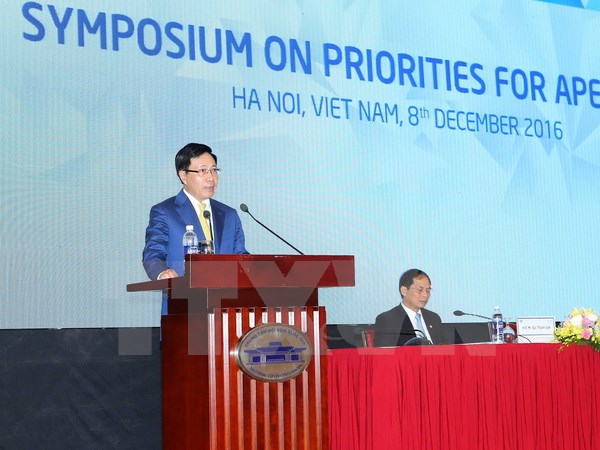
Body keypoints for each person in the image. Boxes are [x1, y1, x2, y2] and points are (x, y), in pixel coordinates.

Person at [143, 143, 248, 313]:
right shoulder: (165, 212)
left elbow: (241, 256)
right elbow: (153, 252)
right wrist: (162, 273)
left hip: (228, 311)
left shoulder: (229, 215)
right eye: (203, 170)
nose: (211, 177)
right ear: (183, 175)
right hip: (184, 309)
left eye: (214, 170)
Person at [374, 269, 447, 346]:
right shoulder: (387, 320)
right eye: (420, 290)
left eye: (428, 290)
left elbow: (445, 347)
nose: (425, 295)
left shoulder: (434, 318)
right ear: (404, 291)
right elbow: (386, 352)